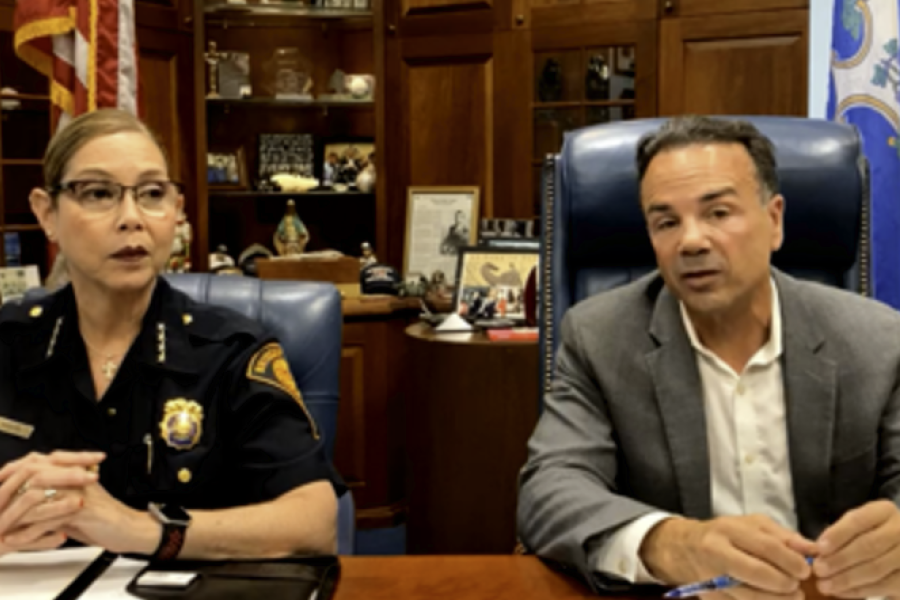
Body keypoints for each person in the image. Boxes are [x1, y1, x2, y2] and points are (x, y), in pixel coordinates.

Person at [517, 116, 900, 599]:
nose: (691, 241)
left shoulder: (877, 339)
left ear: (775, 220)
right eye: (666, 222)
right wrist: (675, 543)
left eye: (718, 213)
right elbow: (550, 489)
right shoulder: (600, 337)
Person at [0, 109, 344, 561]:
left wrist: (139, 529)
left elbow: (315, 522)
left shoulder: (232, 352)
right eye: (99, 193)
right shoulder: (8, 342)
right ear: (47, 214)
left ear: (176, 213)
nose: (131, 218)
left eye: (152, 194)